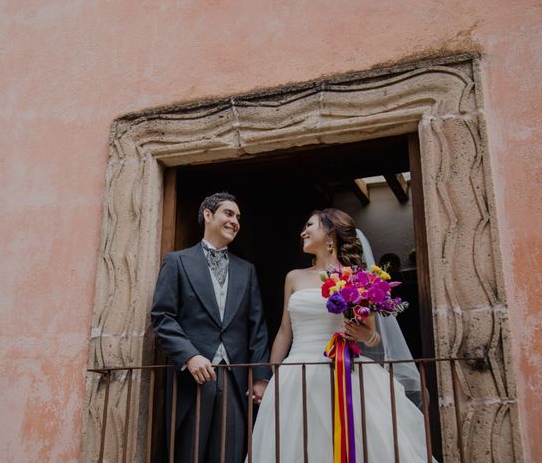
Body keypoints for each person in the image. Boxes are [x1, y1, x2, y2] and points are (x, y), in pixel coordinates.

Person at [248, 208, 433, 462]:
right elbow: (283, 331)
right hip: (296, 373)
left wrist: (362, 335)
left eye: (310, 225)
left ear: (330, 233)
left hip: (344, 371)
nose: (303, 232)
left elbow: (373, 337)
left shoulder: (359, 279)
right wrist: (271, 376)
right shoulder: (293, 277)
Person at [151, 192, 271, 463]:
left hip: (235, 380)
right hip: (192, 379)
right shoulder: (177, 261)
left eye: (238, 217)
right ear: (208, 215)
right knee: (189, 454)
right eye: (228, 213)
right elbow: (162, 316)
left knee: (229, 454)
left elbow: (258, 328)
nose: (235, 221)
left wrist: (262, 377)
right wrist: (189, 356)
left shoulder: (247, 270)